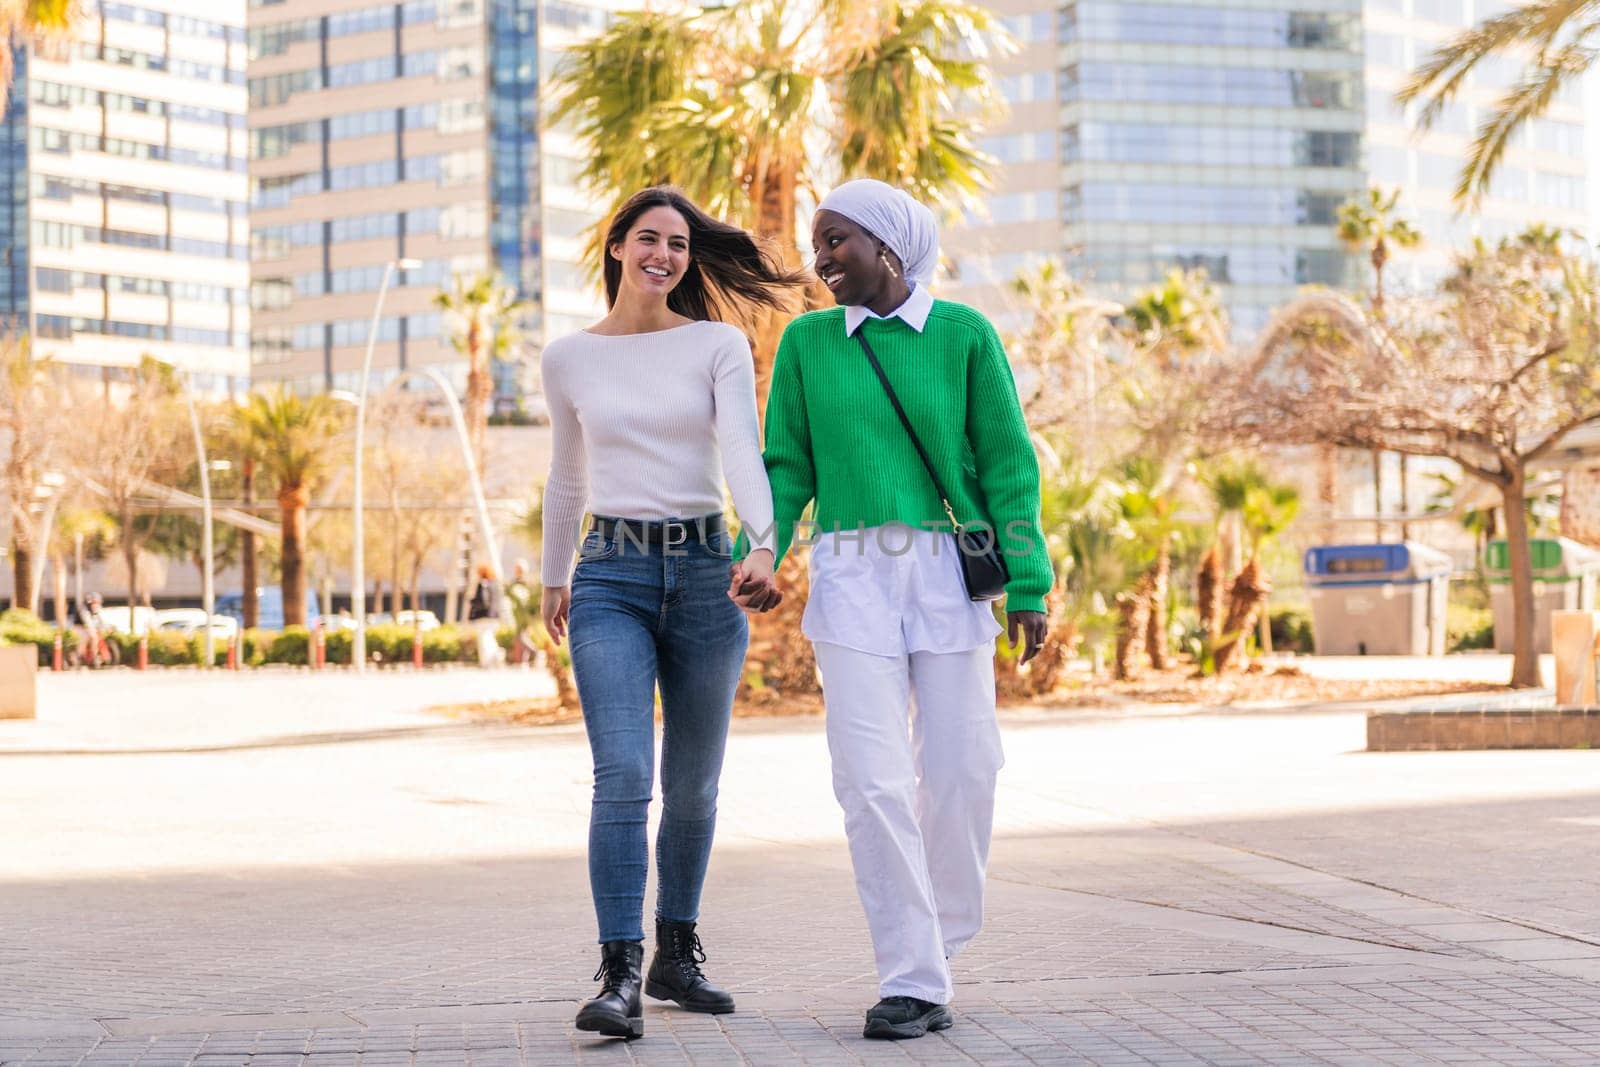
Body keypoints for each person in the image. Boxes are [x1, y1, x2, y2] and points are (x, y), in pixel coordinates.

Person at [730, 179, 1052, 1040]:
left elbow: (1009, 464)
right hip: (851, 576)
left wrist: (1029, 581)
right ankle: (913, 974)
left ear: (889, 247)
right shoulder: (806, 345)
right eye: (817, 240)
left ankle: (937, 944)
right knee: (870, 782)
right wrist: (760, 548)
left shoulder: (963, 336)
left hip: (947, 571)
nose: (821, 256)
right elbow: (785, 463)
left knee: (963, 769)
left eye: (837, 239)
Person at [540, 185, 806, 1041]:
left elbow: (740, 448)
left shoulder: (717, 344)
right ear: (617, 248)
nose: (665, 254)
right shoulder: (569, 357)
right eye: (648, 239)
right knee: (623, 773)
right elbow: (568, 474)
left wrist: (760, 545)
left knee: (692, 784)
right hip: (609, 575)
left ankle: (676, 956)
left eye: (680, 244)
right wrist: (554, 575)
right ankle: (617, 972)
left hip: (703, 574)